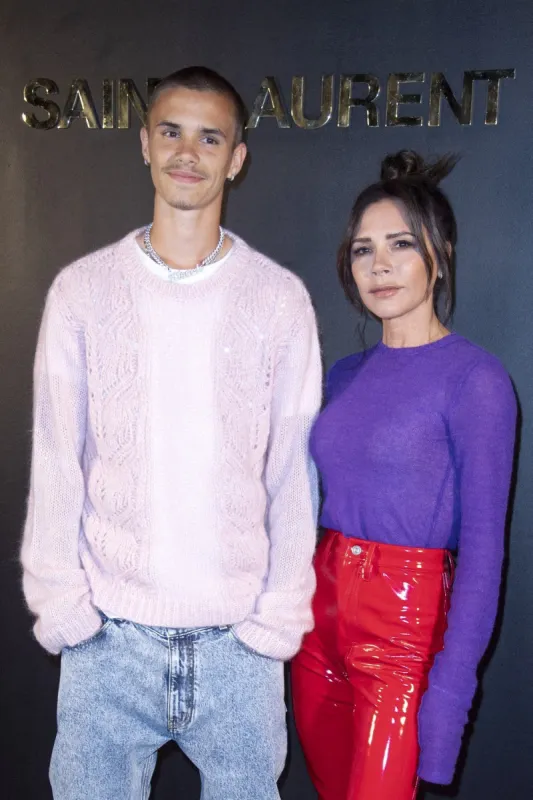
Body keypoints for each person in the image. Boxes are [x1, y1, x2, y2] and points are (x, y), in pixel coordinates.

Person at [21, 66, 322, 800]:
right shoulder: (83, 292)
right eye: (172, 132)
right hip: (109, 647)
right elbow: (58, 458)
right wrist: (65, 612)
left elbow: (291, 473)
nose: (189, 152)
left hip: (240, 653)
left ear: (235, 159)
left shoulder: (279, 301)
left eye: (210, 137)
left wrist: (275, 623)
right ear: (145, 145)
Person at [291, 150, 517, 800]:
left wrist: (447, 699)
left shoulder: (475, 381)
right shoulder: (341, 376)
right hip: (317, 617)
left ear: (438, 252)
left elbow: (482, 553)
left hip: (401, 629)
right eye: (362, 250)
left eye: (398, 244)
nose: (379, 265)